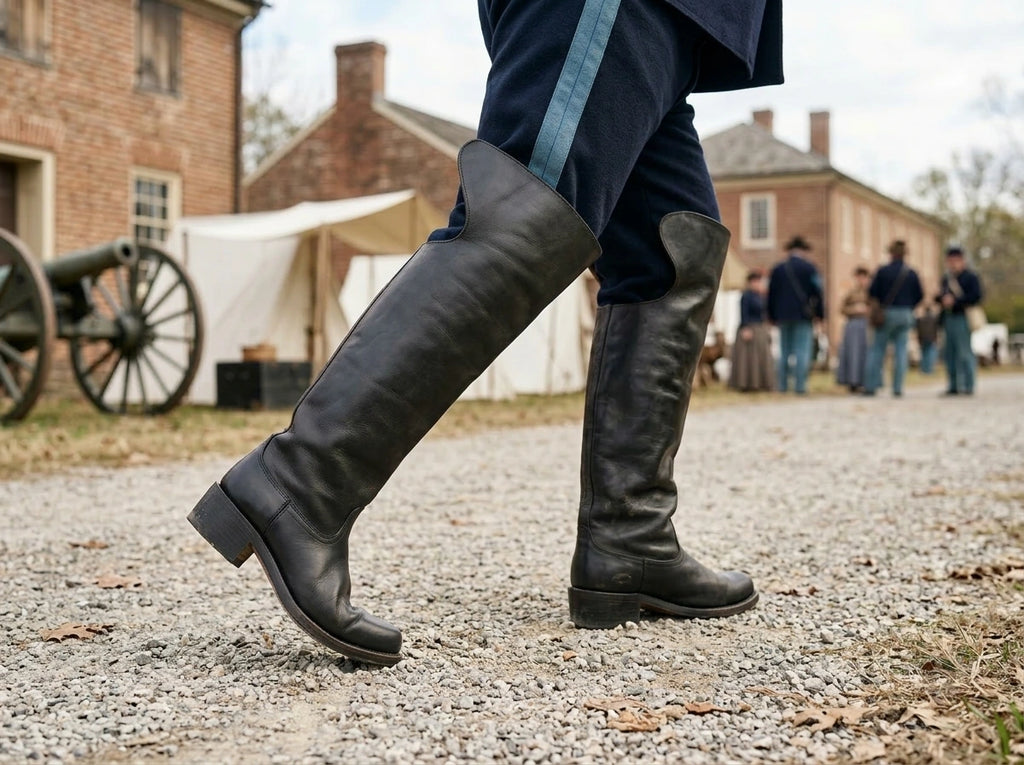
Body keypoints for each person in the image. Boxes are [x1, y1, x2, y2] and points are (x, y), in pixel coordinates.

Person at [185, 1, 782, 666]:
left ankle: (630, 537)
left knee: (673, 252)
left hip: (683, 23)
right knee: (527, 210)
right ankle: (300, 483)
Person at [864, 240, 924, 397]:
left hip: (886, 313)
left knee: (877, 349)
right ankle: (897, 387)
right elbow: (920, 295)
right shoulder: (911, 273)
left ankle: (871, 385)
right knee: (901, 351)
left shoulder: (883, 271)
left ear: (891, 253)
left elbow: (872, 293)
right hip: (905, 314)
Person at [767, 236, 824, 394]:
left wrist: (771, 315)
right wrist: (820, 315)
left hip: (782, 316)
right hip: (803, 316)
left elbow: (771, 295)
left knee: (784, 351)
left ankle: (783, 386)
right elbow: (818, 294)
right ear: (804, 250)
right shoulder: (810, 268)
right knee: (802, 352)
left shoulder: (778, 269)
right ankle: (800, 387)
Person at [938, 245, 983, 395]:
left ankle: (968, 385)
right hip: (949, 317)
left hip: (963, 317)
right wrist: (941, 299)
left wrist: (956, 301)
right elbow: (939, 296)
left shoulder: (970, 277)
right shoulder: (946, 278)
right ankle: (953, 385)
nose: (953, 264)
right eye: (950, 261)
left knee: (964, 352)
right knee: (949, 353)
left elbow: (976, 296)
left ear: (962, 261)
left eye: (956, 260)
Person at [729, 270, 774, 391]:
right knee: (748, 358)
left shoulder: (761, 296)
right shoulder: (746, 295)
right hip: (749, 327)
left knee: (760, 357)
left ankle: (761, 383)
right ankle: (745, 384)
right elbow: (744, 312)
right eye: (756, 281)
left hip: (760, 328)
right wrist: (745, 327)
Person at [835, 266, 871, 392]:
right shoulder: (851, 293)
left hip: (867, 324)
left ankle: (867, 381)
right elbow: (842, 309)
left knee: (866, 353)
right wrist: (854, 309)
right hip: (853, 323)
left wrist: (867, 310)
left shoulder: (871, 292)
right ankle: (852, 381)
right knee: (852, 353)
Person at [916, 305, 940, 374]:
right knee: (930, 354)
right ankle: (929, 370)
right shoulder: (934, 319)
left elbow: (919, 330)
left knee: (924, 354)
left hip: (923, 339)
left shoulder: (921, 319)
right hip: (931, 338)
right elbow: (936, 329)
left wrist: (919, 339)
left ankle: (924, 369)